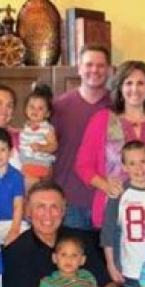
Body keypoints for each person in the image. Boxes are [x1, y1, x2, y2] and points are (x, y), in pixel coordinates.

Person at [76, 60, 145, 228]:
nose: (134, 89)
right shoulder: (101, 120)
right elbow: (83, 165)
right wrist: (105, 185)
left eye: (140, 83)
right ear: (120, 88)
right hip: (113, 213)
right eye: (128, 83)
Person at [51, 45, 112, 230]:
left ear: (109, 70)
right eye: (89, 64)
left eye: (100, 65)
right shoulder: (59, 107)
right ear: (79, 68)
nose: (94, 70)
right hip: (69, 201)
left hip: (108, 200)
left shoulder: (118, 108)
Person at [101, 140, 145, 287]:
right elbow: (108, 231)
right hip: (130, 270)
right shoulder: (119, 193)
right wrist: (111, 264)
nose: (139, 168)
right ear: (124, 167)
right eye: (132, 163)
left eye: (143, 162)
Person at [19, 84, 58, 189]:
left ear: (47, 113)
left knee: (32, 188)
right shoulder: (26, 126)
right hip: (26, 162)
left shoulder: (46, 128)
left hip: (39, 164)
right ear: (25, 109)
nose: (35, 111)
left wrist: (41, 147)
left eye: (40, 108)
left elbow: (54, 146)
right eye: (31, 107)